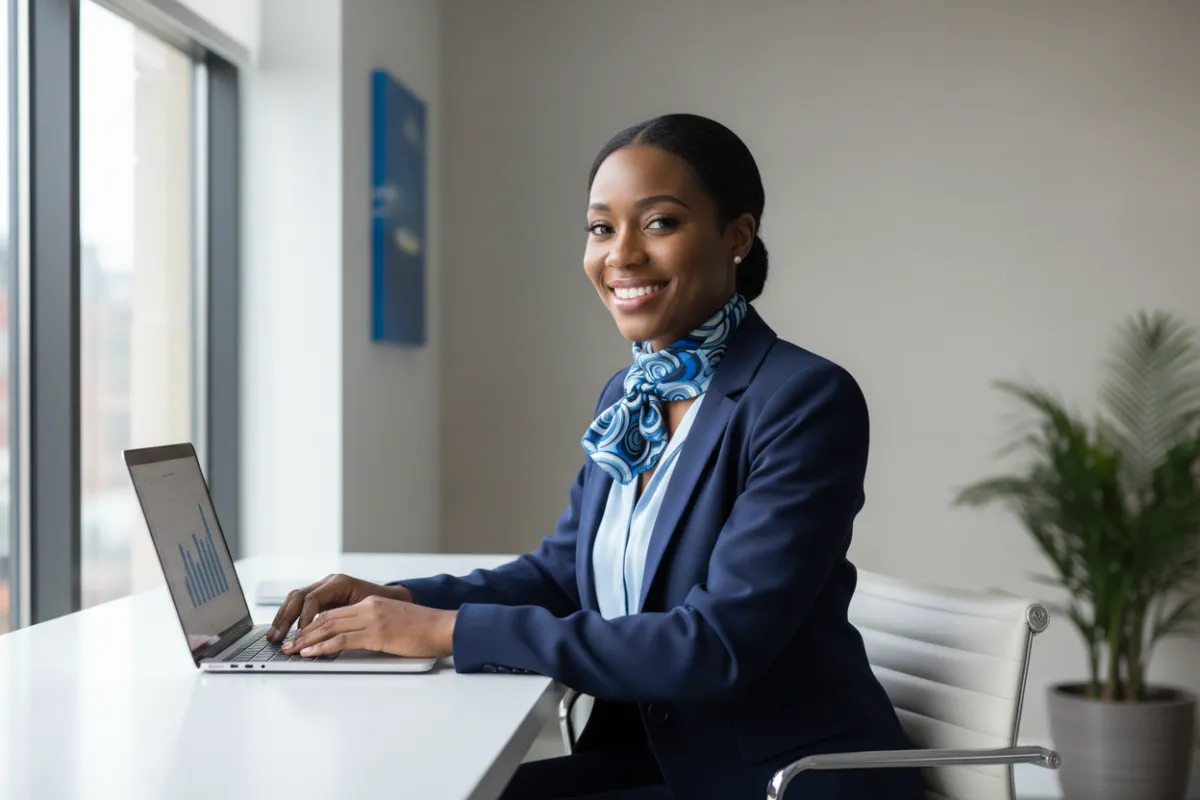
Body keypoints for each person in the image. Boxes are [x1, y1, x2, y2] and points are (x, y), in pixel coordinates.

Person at [267, 113, 927, 800]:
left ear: (737, 235)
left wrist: (443, 631)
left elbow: (714, 648)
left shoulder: (802, 399)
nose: (622, 255)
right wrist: (398, 602)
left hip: (776, 779)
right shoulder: (631, 395)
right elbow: (561, 574)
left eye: (660, 222)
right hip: (662, 756)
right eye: (601, 228)